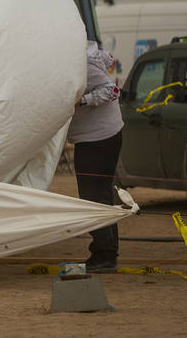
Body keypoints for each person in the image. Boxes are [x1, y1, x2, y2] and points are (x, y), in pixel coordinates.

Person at [69, 41, 124, 273]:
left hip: (96, 139)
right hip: (104, 135)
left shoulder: (81, 64)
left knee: (93, 197)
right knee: (101, 195)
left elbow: (112, 90)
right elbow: (108, 58)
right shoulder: (85, 58)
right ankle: (107, 253)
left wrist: (81, 101)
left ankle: (103, 255)